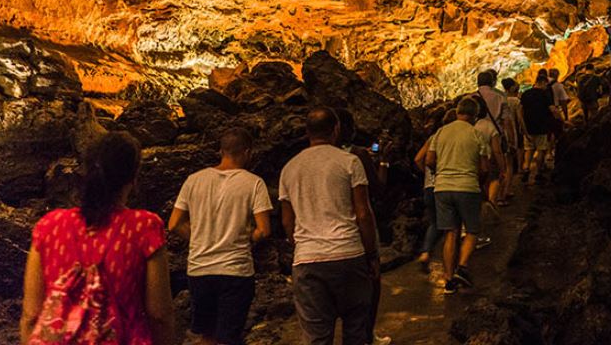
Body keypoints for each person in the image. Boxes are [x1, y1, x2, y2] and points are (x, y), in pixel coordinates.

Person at [21, 132, 176, 345]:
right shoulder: (144, 227)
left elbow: (31, 314)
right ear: (133, 177)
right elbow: (160, 315)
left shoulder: (49, 226)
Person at [280, 108, 380, 345]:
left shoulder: (289, 168)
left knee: (317, 337)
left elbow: (287, 221)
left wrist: (301, 245)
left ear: (307, 132)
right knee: (356, 331)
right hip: (348, 255)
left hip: (308, 261)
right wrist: (372, 254)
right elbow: (363, 213)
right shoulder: (349, 162)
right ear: (336, 129)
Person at [168, 127, 272, 345]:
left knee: (206, 335)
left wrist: (198, 238)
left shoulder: (194, 180)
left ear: (221, 151)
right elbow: (263, 229)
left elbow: (174, 223)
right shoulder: (253, 183)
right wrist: (247, 238)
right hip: (235, 271)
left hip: (200, 269)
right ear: (246, 152)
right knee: (229, 338)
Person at [334, 108, 392, 345]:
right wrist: (384, 160)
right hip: (356, 230)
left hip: (322, 239)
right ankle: (366, 335)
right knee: (370, 283)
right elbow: (377, 189)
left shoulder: (308, 158)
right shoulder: (357, 156)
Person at [425, 98, 490, 294]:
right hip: (467, 186)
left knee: (450, 233)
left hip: (442, 187)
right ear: (475, 115)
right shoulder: (476, 134)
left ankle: (448, 279)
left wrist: (441, 172)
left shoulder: (441, 132)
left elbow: (429, 160)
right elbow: (484, 167)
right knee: (471, 231)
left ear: (458, 111)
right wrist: (479, 181)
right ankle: (462, 267)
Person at [414, 110, 457, 273]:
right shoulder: (455, 139)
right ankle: (450, 266)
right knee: (449, 227)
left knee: (434, 222)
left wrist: (426, 174)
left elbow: (418, 159)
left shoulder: (434, 138)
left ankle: (426, 252)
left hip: (429, 186)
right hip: (446, 185)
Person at [520, 71, 559, 186]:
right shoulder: (544, 94)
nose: (546, 87)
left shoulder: (525, 93)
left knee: (529, 149)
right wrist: (560, 119)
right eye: (546, 85)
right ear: (542, 82)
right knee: (541, 149)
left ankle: (526, 168)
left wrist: (523, 126)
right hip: (541, 126)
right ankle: (537, 173)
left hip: (528, 126)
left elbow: (521, 111)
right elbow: (552, 109)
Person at [499, 78, 526, 202]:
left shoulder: (500, 99)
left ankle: (498, 192)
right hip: (512, 131)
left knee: (501, 164)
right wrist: (525, 131)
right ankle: (506, 191)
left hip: (499, 134)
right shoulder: (516, 101)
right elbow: (518, 119)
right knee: (509, 164)